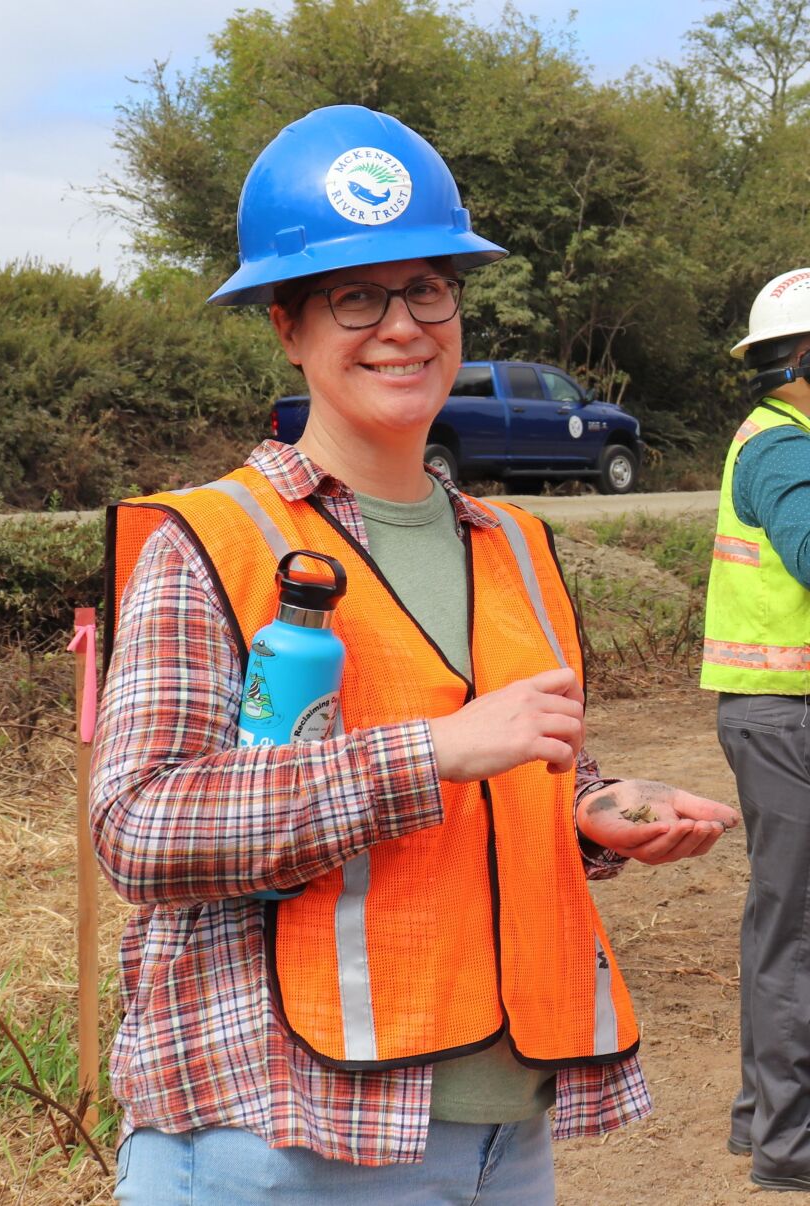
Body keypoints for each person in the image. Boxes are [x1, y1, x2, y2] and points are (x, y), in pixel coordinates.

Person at [92, 104, 738, 1205]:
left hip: (504, 1135)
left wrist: (592, 808)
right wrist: (428, 751)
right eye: (354, 295)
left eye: (426, 288)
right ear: (285, 327)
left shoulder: (517, 546)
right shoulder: (210, 542)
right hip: (284, 1143)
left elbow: (509, 775)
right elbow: (138, 828)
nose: (401, 325)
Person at [700, 268, 810, 1194]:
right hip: (786, 721)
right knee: (796, 930)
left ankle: (759, 1120)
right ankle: (790, 1146)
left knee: (786, 921)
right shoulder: (781, 449)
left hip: (777, 715)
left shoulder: (786, 441)